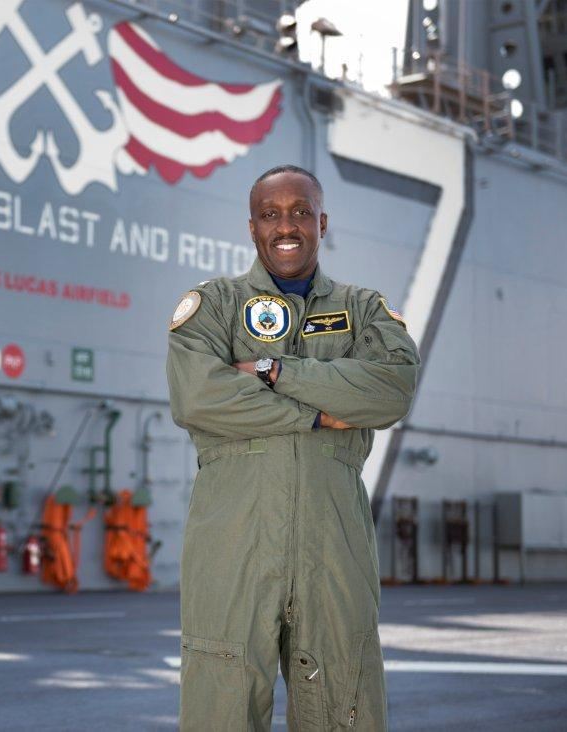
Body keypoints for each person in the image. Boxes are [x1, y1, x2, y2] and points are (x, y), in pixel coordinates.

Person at [166, 165, 420, 731]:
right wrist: (319, 413)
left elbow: (392, 389)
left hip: (335, 542)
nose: (288, 225)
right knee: (222, 698)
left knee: (343, 699)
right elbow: (199, 397)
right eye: (271, 214)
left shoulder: (364, 310)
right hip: (233, 540)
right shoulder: (213, 306)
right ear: (252, 228)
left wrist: (273, 370)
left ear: (322, 223)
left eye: (301, 212)